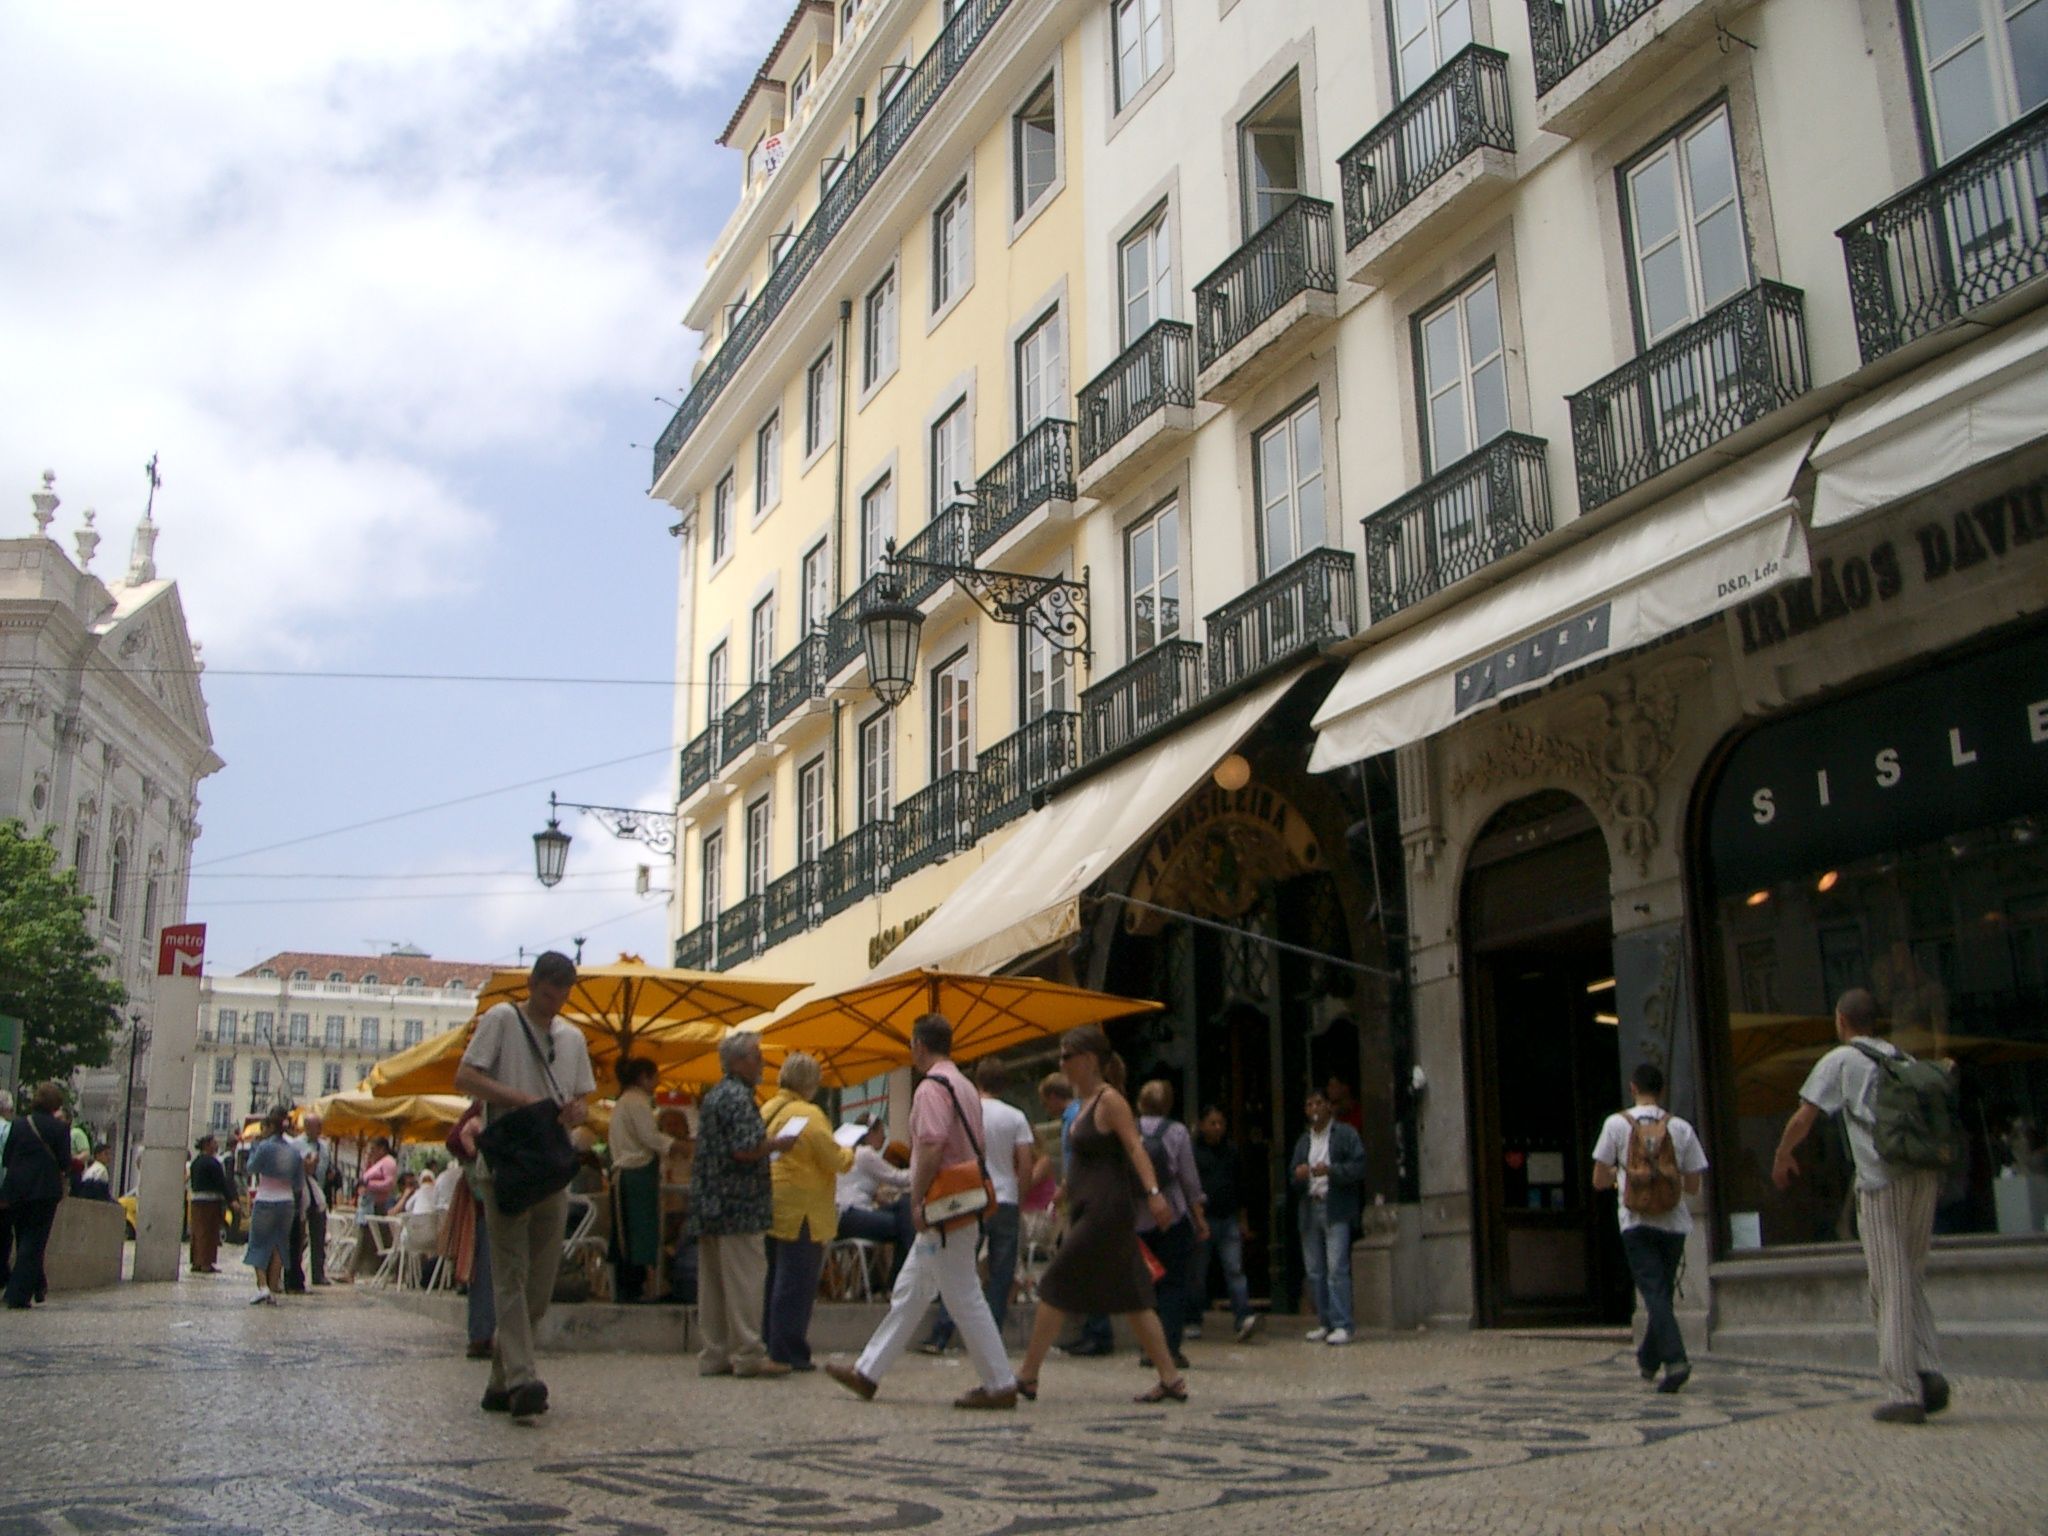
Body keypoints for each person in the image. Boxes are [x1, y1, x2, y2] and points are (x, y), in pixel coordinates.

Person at [1773, 987, 1950, 1424]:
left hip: (1880, 1180)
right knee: (1910, 1276)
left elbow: (1805, 1116)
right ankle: (1928, 1371)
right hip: (1923, 1174)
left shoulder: (1841, 1059)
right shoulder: (1900, 1056)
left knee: (1888, 1284)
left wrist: (1783, 1154)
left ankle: (1903, 1391)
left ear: (1841, 1019)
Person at [827, 1014, 1022, 1410]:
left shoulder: (931, 1088)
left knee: (963, 1294)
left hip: (942, 1207)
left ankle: (1000, 1383)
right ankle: (868, 1371)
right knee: (912, 1291)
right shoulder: (964, 1086)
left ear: (918, 1044)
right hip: (962, 1201)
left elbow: (931, 1146)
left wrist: (917, 1201)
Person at [453, 949, 597, 1422]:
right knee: (511, 1272)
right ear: (532, 985)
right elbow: (465, 1076)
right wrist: (520, 1100)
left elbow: (584, 1103)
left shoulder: (572, 1038)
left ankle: (500, 1383)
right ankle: (521, 1379)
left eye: (562, 997)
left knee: (540, 1282)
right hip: (509, 1163)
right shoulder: (501, 1019)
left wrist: (576, 1112)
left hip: (551, 1166)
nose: (554, 1004)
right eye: (548, 994)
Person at [1011, 1025, 1185, 1404]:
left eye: (1066, 1057)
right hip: (1088, 1205)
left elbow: (1135, 1149)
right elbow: (1084, 1162)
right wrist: (1063, 1191)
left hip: (1106, 1210)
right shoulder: (1085, 1103)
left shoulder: (1110, 1101)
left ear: (1088, 1060)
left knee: (1055, 1282)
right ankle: (1171, 1378)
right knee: (1134, 1296)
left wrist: (1155, 1194)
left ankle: (1028, 1375)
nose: (1061, 1064)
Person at [1592, 1062, 1709, 1393]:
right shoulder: (1681, 1128)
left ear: (1633, 1088)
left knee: (1654, 1294)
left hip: (1636, 1222)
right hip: (1673, 1224)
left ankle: (1676, 1360)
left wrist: (1620, 1176)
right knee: (1662, 1293)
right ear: (1662, 1090)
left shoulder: (1616, 1124)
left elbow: (1598, 1180)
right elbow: (1693, 1186)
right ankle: (1648, 1360)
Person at [691, 1032, 798, 1380]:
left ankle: (715, 1353)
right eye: (756, 1056)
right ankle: (749, 1354)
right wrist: (778, 1144)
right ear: (738, 1062)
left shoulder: (714, 1095)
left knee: (713, 1286)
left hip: (710, 1202)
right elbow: (745, 1148)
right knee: (745, 1282)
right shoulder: (739, 1097)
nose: (762, 1062)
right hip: (740, 1203)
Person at [920, 1057, 1036, 1355]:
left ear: (977, 1081)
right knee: (1001, 1271)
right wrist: (1020, 1197)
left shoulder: (968, 1111)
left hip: (972, 1196)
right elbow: (1025, 1164)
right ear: (1004, 1084)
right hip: (1006, 1197)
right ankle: (989, 1336)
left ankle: (942, 1333)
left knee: (960, 1267)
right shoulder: (1016, 1117)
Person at [763, 1051, 854, 1370]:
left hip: (773, 1202)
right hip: (803, 1207)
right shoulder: (811, 1115)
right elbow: (835, 1159)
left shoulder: (768, 1109)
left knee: (774, 1277)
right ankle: (789, 1349)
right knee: (797, 1282)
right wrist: (849, 1151)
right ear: (810, 1083)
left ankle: (769, 1341)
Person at [1132, 1080, 1207, 1370]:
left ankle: (1147, 1348)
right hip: (1171, 1216)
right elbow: (1189, 1179)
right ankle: (1170, 1349)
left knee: (1145, 1286)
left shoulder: (1129, 1129)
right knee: (1173, 1284)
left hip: (1136, 1219)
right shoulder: (1177, 1132)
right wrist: (1199, 1217)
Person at [1291, 1087, 1366, 1346]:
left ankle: (1343, 1323)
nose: (1314, 1109)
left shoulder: (1345, 1134)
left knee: (1336, 1268)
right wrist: (1299, 1175)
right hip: (1310, 1207)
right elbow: (1292, 1176)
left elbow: (1358, 1166)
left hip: (1335, 1207)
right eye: (1309, 1105)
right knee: (1315, 1270)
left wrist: (1332, 1171)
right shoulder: (1304, 1141)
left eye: (1319, 1103)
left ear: (1328, 1107)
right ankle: (1325, 1321)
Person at [1, 1083, 73, 1309]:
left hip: (16, 1190)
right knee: (34, 1242)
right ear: (56, 1105)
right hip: (44, 1191)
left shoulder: (19, 1124)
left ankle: (35, 1285)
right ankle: (17, 1294)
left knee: (23, 1237)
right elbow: (65, 1162)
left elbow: (7, 1157)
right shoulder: (59, 1129)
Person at [608, 1056, 674, 1304]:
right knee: (635, 1233)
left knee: (637, 1232)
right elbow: (649, 1137)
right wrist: (676, 1145)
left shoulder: (629, 1101)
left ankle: (637, 1284)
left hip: (637, 1173)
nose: (657, 1082)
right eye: (655, 1077)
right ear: (644, 1077)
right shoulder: (635, 1102)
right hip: (634, 1172)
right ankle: (634, 1286)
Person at [1192, 1105, 1258, 1342]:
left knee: (1234, 1269)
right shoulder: (1193, 1152)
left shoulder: (1231, 1151)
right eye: (1212, 1123)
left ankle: (1242, 1318)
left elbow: (1241, 1185)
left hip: (1228, 1218)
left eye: (1221, 1123)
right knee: (1198, 1273)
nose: (1217, 1127)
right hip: (1204, 1218)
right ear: (1202, 1125)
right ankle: (1193, 1319)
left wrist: (1243, 1219)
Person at [834, 1118, 915, 1286]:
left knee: (904, 1207)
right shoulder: (864, 1154)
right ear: (869, 1133)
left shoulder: (844, 1152)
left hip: (841, 1216)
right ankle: (901, 1279)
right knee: (905, 1223)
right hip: (852, 1213)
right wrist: (925, 1170)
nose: (884, 1138)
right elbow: (897, 1178)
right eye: (881, 1133)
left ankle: (895, 1280)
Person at [244, 1107, 304, 1306]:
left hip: (266, 1199)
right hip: (287, 1202)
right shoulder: (294, 1151)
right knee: (279, 1244)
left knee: (258, 1243)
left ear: (270, 1126)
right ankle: (272, 1286)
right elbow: (298, 1183)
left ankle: (263, 1287)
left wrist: (255, 1148)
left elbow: (251, 1167)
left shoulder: (264, 1147)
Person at [287, 1111, 332, 1289]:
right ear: (306, 1127)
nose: (320, 1129)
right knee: (299, 1237)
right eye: (316, 1125)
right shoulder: (296, 1145)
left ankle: (318, 1274)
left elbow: (326, 1167)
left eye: (320, 1125)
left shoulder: (325, 1146)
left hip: (318, 1193)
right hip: (301, 1195)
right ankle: (296, 1273)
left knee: (319, 1236)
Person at [187, 1134, 232, 1273]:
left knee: (197, 1232)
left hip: (196, 1200)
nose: (216, 1145)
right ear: (207, 1145)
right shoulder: (213, 1163)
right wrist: (231, 1200)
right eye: (214, 1142)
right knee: (209, 1232)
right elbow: (221, 1183)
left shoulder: (196, 1162)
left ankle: (196, 1261)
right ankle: (206, 1262)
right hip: (211, 1202)